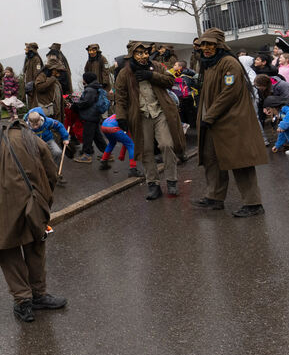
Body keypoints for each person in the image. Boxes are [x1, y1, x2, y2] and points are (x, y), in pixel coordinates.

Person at [0, 123, 66, 323]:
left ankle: (23, 301)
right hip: (30, 206)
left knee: (9, 253)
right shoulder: (34, 141)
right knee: (36, 248)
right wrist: (44, 198)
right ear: (24, 127)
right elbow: (51, 173)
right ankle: (38, 295)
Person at [191, 28, 267, 217]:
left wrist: (210, 116)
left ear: (219, 45)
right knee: (211, 158)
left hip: (232, 120)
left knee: (240, 162)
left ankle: (253, 203)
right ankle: (215, 197)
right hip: (213, 121)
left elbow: (229, 93)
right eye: (203, 45)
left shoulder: (229, 63)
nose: (206, 48)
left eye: (210, 44)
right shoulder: (209, 64)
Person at [114, 41, 184, 199]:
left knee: (166, 145)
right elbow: (120, 97)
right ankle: (153, 184)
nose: (144, 56)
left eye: (145, 52)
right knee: (146, 150)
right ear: (132, 55)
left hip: (160, 112)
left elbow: (170, 81)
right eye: (139, 53)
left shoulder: (157, 66)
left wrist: (151, 76)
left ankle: (172, 181)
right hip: (141, 116)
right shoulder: (124, 74)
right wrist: (121, 117)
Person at [72, 72, 108, 163]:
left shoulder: (90, 89)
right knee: (97, 136)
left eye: (84, 78)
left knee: (87, 136)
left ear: (87, 79)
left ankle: (86, 155)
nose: (83, 80)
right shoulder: (95, 88)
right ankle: (107, 153)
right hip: (94, 115)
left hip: (89, 116)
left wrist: (75, 105)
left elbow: (86, 102)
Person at [33, 55, 65, 120]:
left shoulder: (53, 78)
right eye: (57, 70)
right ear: (52, 69)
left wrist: (64, 102)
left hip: (56, 111)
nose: (59, 73)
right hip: (47, 112)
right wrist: (52, 79)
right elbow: (39, 87)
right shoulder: (42, 76)